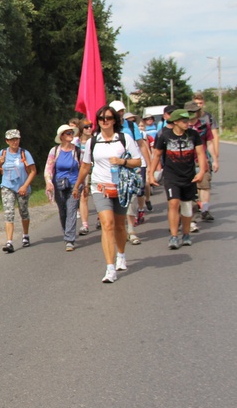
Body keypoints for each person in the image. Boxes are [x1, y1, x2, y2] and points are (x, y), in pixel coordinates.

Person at [73, 105, 142, 283]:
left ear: (115, 120)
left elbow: (137, 161)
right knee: (107, 224)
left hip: (120, 187)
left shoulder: (124, 139)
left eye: (109, 118)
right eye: (102, 118)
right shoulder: (92, 142)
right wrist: (78, 185)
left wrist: (122, 161)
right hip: (100, 187)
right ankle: (110, 268)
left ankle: (121, 254)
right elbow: (86, 166)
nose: (105, 121)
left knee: (119, 226)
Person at [148, 109, 208, 249]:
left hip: (189, 176)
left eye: (188, 120)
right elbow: (156, 155)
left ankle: (186, 234)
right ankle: (174, 236)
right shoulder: (165, 135)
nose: (187, 123)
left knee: (187, 206)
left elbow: (200, 153)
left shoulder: (193, 135)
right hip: (171, 176)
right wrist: (151, 174)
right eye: (184, 121)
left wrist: (202, 172)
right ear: (175, 122)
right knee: (173, 203)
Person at [110, 101, 150, 244]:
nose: (120, 113)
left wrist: (149, 165)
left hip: (131, 167)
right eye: (117, 111)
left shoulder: (132, 126)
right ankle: (119, 229)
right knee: (116, 200)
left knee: (131, 197)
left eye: (122, 111)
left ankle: (131, 230)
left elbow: (141, 145)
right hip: (113, 169)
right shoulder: (108, 127)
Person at [0, 129, 37, 252]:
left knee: (23, 212)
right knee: (9, 213)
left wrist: (25, 186)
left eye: (17, 139)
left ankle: (25, 235)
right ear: (7, 141)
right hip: (7, 186)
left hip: (22, 187)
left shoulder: (24, 153)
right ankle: (9, 242)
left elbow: (33, 171)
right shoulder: (3, 153)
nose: (15, 142)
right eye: (12, 140)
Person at [45, 124, 82, 251]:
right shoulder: (54, 151)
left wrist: (84, 184)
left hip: (74, 184)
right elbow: (49, 168)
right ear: (61, 136)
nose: (71, 134)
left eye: (72, 132)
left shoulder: (77, 151)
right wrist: (49, 182)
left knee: (71, 209)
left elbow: (83, 169)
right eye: (68, 133)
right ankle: (67, 232)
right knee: (63, 210)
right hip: (59, 184)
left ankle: (69, 239)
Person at [185, 100, 220, 222]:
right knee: (190, 188)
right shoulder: (182, 127)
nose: (192, 114)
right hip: (186, 162)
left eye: (194, 111)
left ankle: (204, 209)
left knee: (204, 185)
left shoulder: (204, 125)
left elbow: (209, 143)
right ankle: (191, 215)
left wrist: (215, 159)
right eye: (189, 112)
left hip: (202, 160)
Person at [73, 118, 94, 235]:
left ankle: (100, 218)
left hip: (95, 171)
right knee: (83, 196)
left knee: (98, 195)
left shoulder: (95, 140)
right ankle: (85, 224)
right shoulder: (76, 142)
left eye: (90, 126)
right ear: (81, 129)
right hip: (81, 171)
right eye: (86, 127)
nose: (89, 129)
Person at [193, 92, 220, 159]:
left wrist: (216, 153)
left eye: (200, 103)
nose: (198, 105)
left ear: (203, 103)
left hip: (206, 151)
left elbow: (215, 136)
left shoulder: (209, 117)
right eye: (196, 103)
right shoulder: (189, 118)